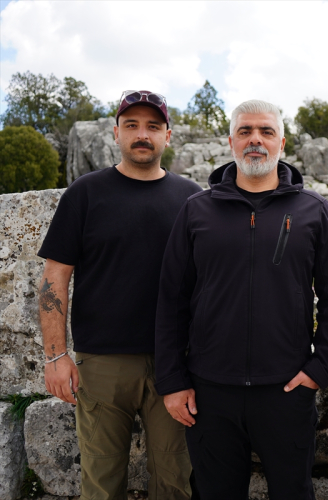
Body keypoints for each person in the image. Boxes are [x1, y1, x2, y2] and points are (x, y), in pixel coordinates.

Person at [155, 99, 328, 499]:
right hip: (210, 392)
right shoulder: (197, 211)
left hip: (286, 390)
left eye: (266, 132)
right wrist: (172, 381)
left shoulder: (314, 210)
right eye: (245, 131)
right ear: (231, 141)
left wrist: (320, 368)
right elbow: (172, 299)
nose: (255, 140)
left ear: (282, 142)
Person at [38, 90, 202, 499]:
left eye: (152, 126)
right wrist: (56, 356)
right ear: (116, 133)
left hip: (175, 364)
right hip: (102, 364)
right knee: (101, 481)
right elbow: (55, 276)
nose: (142, 134)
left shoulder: (192, 199)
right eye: (131, 125)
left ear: (168, 136)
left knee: (175, 480)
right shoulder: (85, 193)